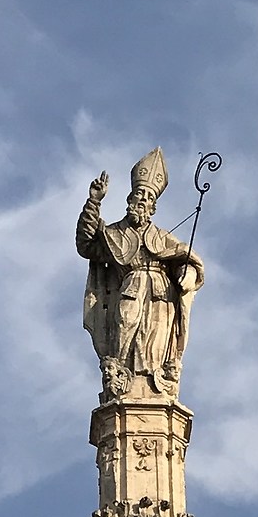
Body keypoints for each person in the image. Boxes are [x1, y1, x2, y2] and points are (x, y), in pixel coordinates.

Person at [76, 150, 204, 400]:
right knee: (124, 331)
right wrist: (93, 203)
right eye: (139, 194)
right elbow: (86, 245)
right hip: (130, 290)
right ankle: (120, 380)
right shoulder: (114, 233)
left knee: (155, 344)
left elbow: (186, 260)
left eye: (148, 197)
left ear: (153, 207)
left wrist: (186, 274)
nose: (143, 200)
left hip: (161, 298)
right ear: (130, 199)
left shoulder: (163, 237)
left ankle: (155, 383)